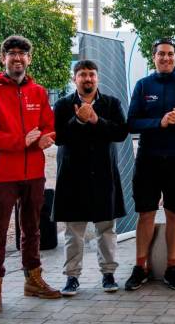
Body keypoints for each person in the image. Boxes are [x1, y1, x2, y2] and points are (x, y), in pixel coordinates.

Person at [0, 35, 60, 315]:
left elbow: (48, 125)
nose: (17, 58)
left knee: (32, 229)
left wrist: (45, 139)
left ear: (29, 59)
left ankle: (33, 281)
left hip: (33, 172)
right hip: (1, 174)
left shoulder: (38, 91)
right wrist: (20, 141)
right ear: (3, 59)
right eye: (11, 53)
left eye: (22, 54)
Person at [125, 39, 175, 291]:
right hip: (148, 159)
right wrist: (157, 123)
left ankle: (172, 267)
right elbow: (132, 123)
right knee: (145, 213)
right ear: (154, 57)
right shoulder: (143, 85)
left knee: (174, 213)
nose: (166, 58)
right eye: (161, 54)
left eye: (170, 54)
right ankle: (141, 267)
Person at [52, 60, 129, 295]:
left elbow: (120, 133)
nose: (88, 79)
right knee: (73, 231)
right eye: (83, 74)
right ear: (74, 78)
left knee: (106, 229)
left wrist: (96, 120)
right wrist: (78, 120)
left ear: (98, 78)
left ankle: (108, 274)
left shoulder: (111, 103)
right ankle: (71, 278)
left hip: (104, 175)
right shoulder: (63, 105)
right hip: (73, 176)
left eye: (92, 75)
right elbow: (59, 137)